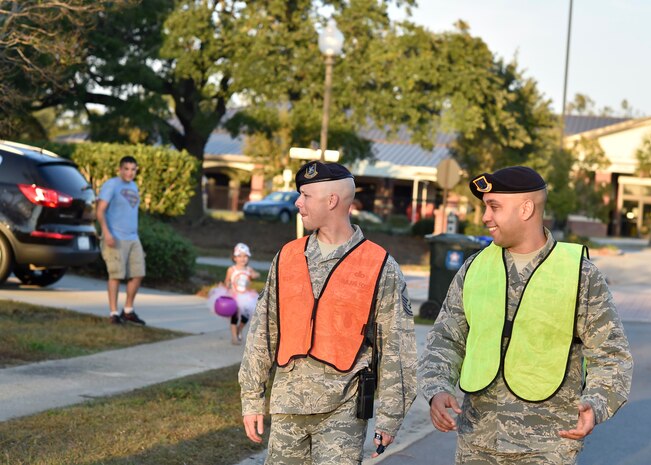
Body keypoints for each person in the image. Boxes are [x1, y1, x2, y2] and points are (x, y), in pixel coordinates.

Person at [419, 165, 633, 465]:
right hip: (477, 443)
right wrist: (437, 389)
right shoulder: (475, 269)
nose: (485, 217)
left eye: (494, 207)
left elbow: (611, 356)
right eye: (485, 207)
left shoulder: (579, 274)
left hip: (548, 448)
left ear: (526, 209)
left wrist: (595, 404)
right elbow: (445, 339)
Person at [239, 161, 417, 464]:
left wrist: (389, 416)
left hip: (343, 410)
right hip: (287, 406)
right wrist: (251, 398)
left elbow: (396, 347)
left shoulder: (379, 265)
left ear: (331, 201)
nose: (297, 202)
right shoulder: (287, 257)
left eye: (305, 196)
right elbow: (263, 331)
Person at [96, 156, 146, 326]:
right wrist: (107, 233)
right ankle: (113, 313)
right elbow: (100, 210)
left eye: (133, 169)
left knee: (138, 274)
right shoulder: (112, 185)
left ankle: (128, 310)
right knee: (116, 275)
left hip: (133, 237)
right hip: (115, 236)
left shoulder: (134, 186)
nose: (129, 172)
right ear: (120, 169)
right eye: (126, 169)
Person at [225, 242, 260, 345]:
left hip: (246, 296)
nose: (242, 258)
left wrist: (255, 275)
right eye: (239, 256)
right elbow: (227, 281)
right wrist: (228, 286)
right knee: (234, 316)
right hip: (234, 296)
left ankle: (239, 329)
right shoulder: (231, 269)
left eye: (245, 256)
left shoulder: (249, 269)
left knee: (245, 317)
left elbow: (256, 275)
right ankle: (234, 337)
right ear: (234, 258)